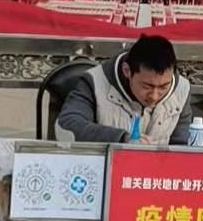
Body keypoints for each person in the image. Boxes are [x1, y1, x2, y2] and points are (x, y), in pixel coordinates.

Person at [56, 34, 192, 145]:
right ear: (127, 71)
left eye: (163, 87)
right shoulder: (94, 82)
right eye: (147, 86)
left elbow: (181, 144)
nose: (154, 96)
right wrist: (121, 139)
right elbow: (67, 125)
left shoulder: (181, 90)